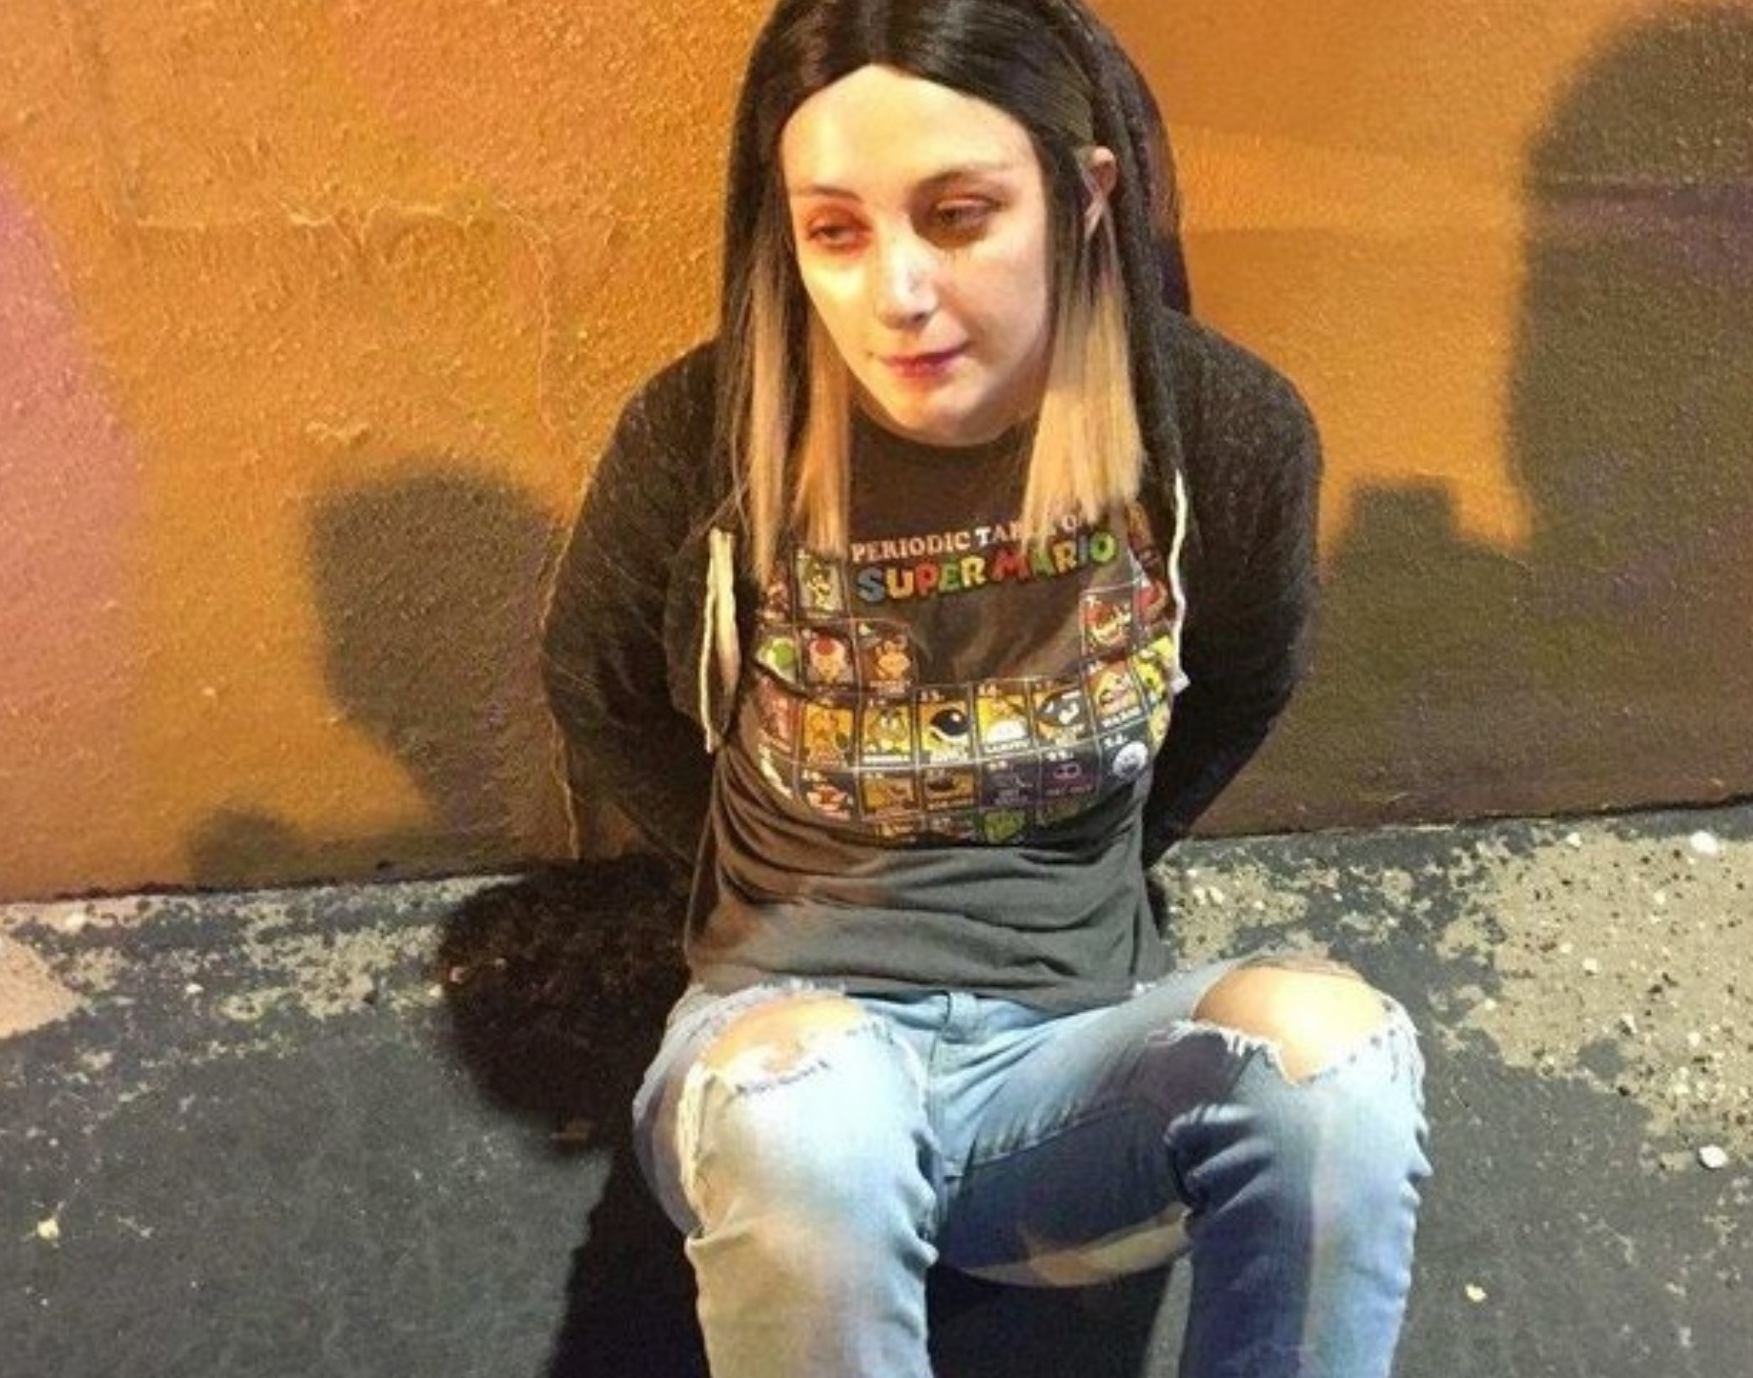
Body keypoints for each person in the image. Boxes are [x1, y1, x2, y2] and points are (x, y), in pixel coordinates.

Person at [541, 1, 1430, 1374]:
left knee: (1336, 1061)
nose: (895, 294)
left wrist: (1101, 860)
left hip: (1075, 1075)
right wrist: (754, 884)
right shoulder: (705, 432)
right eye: (836, 232)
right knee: (814, 1120)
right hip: (783, 1076)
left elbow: (1244, 675)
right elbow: (598, 687)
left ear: (1084, 197)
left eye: (958, 216)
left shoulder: (1219, 435)